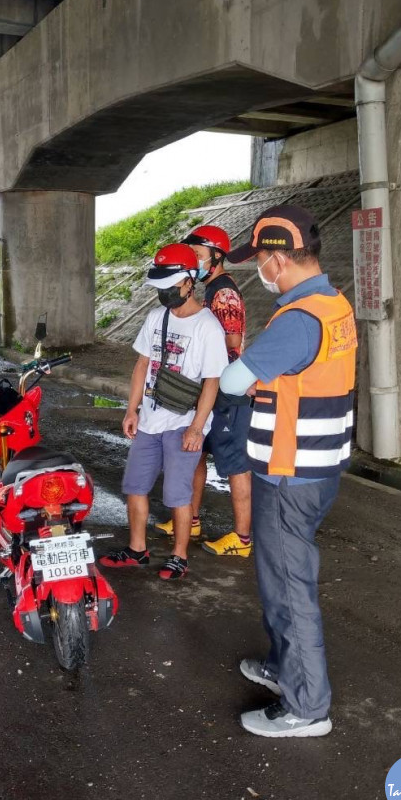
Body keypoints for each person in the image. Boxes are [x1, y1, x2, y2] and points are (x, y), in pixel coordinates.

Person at [220, 204, 356, 738]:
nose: (260, 268)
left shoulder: (298, 319)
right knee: (279, 581)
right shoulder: (331, 302)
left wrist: (247, 375)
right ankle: (285, 668)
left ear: (278, 258)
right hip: (317, 466)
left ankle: (307, 708)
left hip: (289, 473)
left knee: (289, 585)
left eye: (260, 258)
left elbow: (234, 381)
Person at [99, 243, 228, 581]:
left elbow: (212, 383)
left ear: (189, 281)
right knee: (135, 487)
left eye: (170, 285)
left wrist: (197, 429)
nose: (164, 293)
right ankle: (137, 549)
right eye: (160, 286)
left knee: (177, 494)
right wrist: (132, 409)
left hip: (184, 422)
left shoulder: (208, 328)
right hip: (150, 421)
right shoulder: (157, 317)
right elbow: (142, 365)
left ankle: (179, 556)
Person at [154, 224, 254, 557]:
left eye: (198, 255)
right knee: (196, 453)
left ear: (216, 256)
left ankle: (241, 539)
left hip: (228, 390)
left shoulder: (222, 291)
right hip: (207, 387)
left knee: (235, 463)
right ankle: (191, 520)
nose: (192, 262)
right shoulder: (208, 289)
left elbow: (233, 341)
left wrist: (201, 333)